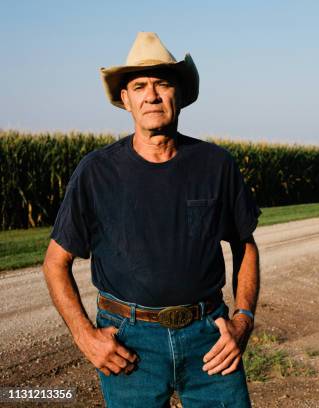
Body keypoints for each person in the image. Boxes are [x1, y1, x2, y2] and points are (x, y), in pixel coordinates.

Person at [42, 32, 260, 407]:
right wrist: (85, 337)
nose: (152, 95)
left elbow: (245, 245)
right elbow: (54, 264)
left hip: (209, 339)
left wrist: (243, 320)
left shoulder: (215, 164)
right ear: (126, 99)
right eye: (139, 86)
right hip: (130, 344)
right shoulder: (96, 172)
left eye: (163, 84)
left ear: (180, 94)